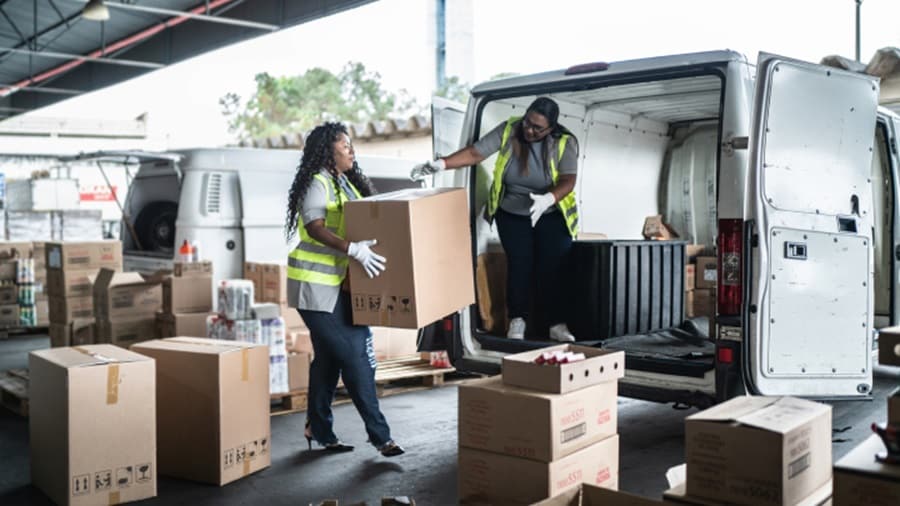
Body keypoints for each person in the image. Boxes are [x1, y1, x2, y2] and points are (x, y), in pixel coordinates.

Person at [411, 97, 578, 342]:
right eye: (528, 122)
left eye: (537, 128)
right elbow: (475, 152)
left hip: (550, 212)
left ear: (550, 128)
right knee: (520, 266)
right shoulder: (510, 129)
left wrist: (547, 200)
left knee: (551, 268)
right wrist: (441, 164)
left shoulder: (565, 142)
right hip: (512, 213)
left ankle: (555, 324)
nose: (529, 130)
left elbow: (568, 180)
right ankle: (517, 321)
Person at [285, 122, 404, 457]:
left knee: (328, 361)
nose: (352, 151)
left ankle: (318, 428)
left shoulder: (344, 183)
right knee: (356, 354)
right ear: (328, 151)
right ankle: (382, 437)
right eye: (346, 145)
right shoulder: (317, 182)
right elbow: (315, 227)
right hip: (315, 289)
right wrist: (353, 249)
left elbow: (366, 215)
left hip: (340, 288)